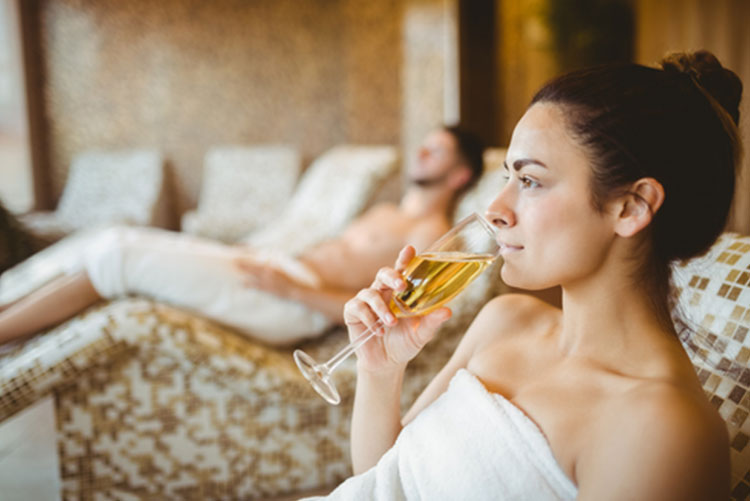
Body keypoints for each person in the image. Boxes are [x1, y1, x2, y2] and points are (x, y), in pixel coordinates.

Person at [314, 51, 741, 500]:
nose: (494, 210)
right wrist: (381, 369)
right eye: (506, 178)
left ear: (630, 207)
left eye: (530, 181)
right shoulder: (506, 320)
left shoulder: (659, 429)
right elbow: (384, 481)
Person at [0, 125, 484, 346]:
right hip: (271, 267)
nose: (421, 154)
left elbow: (383, 312)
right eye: (425, 145)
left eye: (436, 151)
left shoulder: (434, 235)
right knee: (105, 238)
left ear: (460, 175)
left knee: (117, 255)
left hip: (287, 301)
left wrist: (291, 288)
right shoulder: (384, 209)